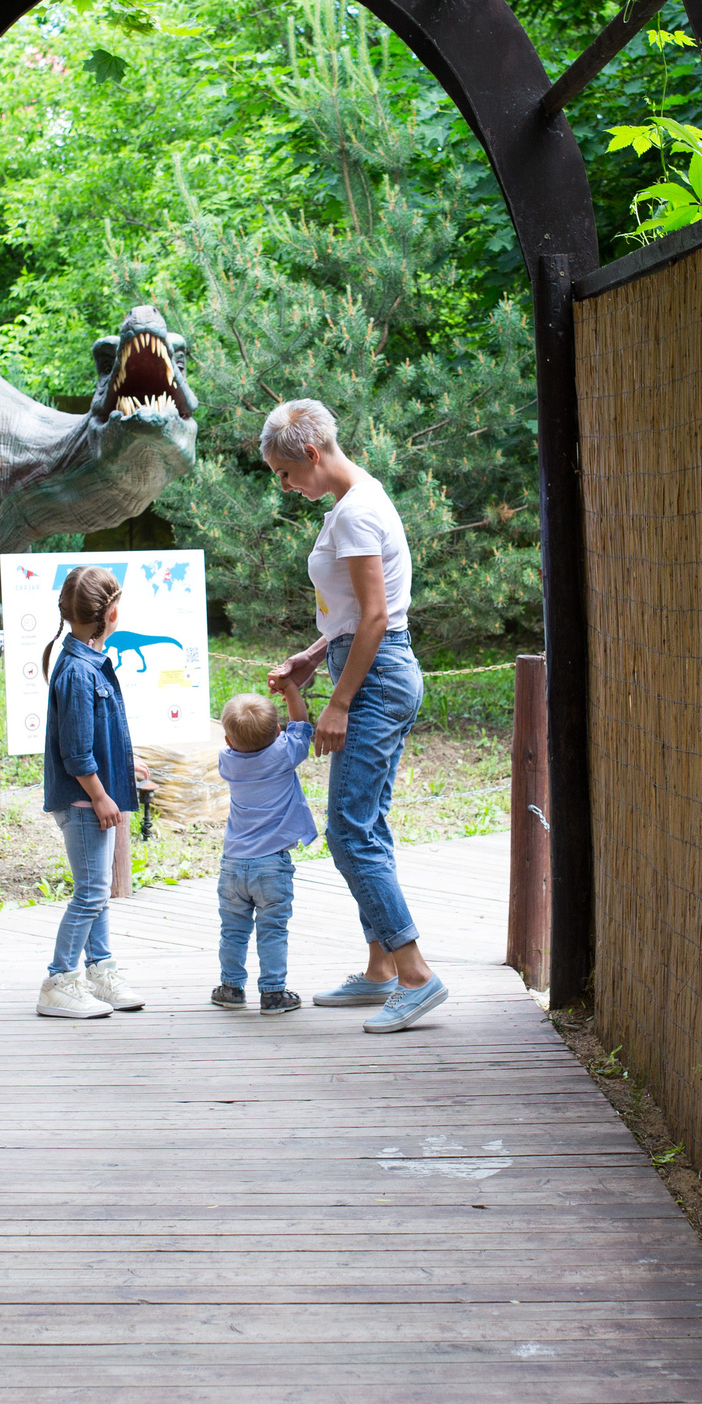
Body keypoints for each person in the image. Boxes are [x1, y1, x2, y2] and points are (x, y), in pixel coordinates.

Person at [260, 398, 448, 1035]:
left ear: (311, 455)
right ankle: (381, 968)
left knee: (347, 829)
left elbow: (376, 617)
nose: (285, 486)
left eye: (286, 473)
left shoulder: (358, 512)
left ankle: (416, 974)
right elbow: (354, 616)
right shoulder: (352, 502)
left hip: (376, 679)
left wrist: (338, 702)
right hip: (367, 666)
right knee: (366, 823)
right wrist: (313, 657)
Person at [36, 565, 148, 1019]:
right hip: (83, 800)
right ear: (112, 613)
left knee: (96, 890)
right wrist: (101, 796)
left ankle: (99, 971)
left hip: (91, 794)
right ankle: (59, 981)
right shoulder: (79, 672)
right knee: (90, 893)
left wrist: (124, 762)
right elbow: (76, 752)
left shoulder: (86, 661)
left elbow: (92, 735)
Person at [210, 684, 316, 1014]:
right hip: (272, 866)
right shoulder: (285, 754)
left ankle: (230, 988)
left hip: (233, 864)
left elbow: (284, 732)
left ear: (228, 741)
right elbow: (302, 725)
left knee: (233, 931)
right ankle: (272, 993)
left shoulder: (227, 762)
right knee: (272, 931)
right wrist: (291, 690)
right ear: (279, 732)